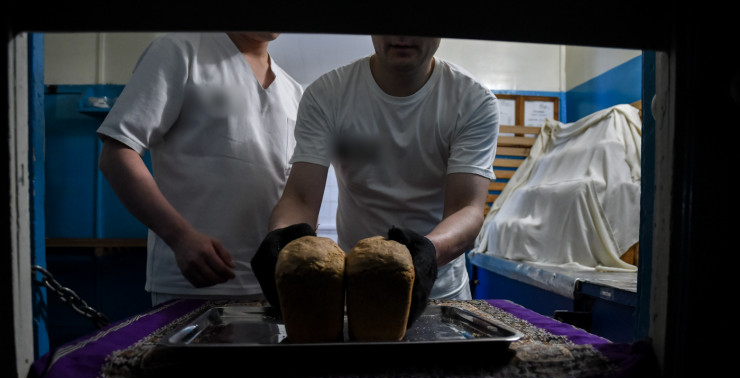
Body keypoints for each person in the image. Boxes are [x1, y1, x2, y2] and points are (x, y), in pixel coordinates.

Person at [252, 35, 499, 326]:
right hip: (356, 291)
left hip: (439, 292)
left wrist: (426, 255)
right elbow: (301, 199)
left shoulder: (472, 100)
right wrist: (283, 240)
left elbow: (466, 208)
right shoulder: (328, 93)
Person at [97, 32, 303, 305]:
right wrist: (179, 237)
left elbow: (292, 188)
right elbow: (116, 154)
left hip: (272, 287)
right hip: (194, 283)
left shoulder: (292, 91)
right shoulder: (179, 52)